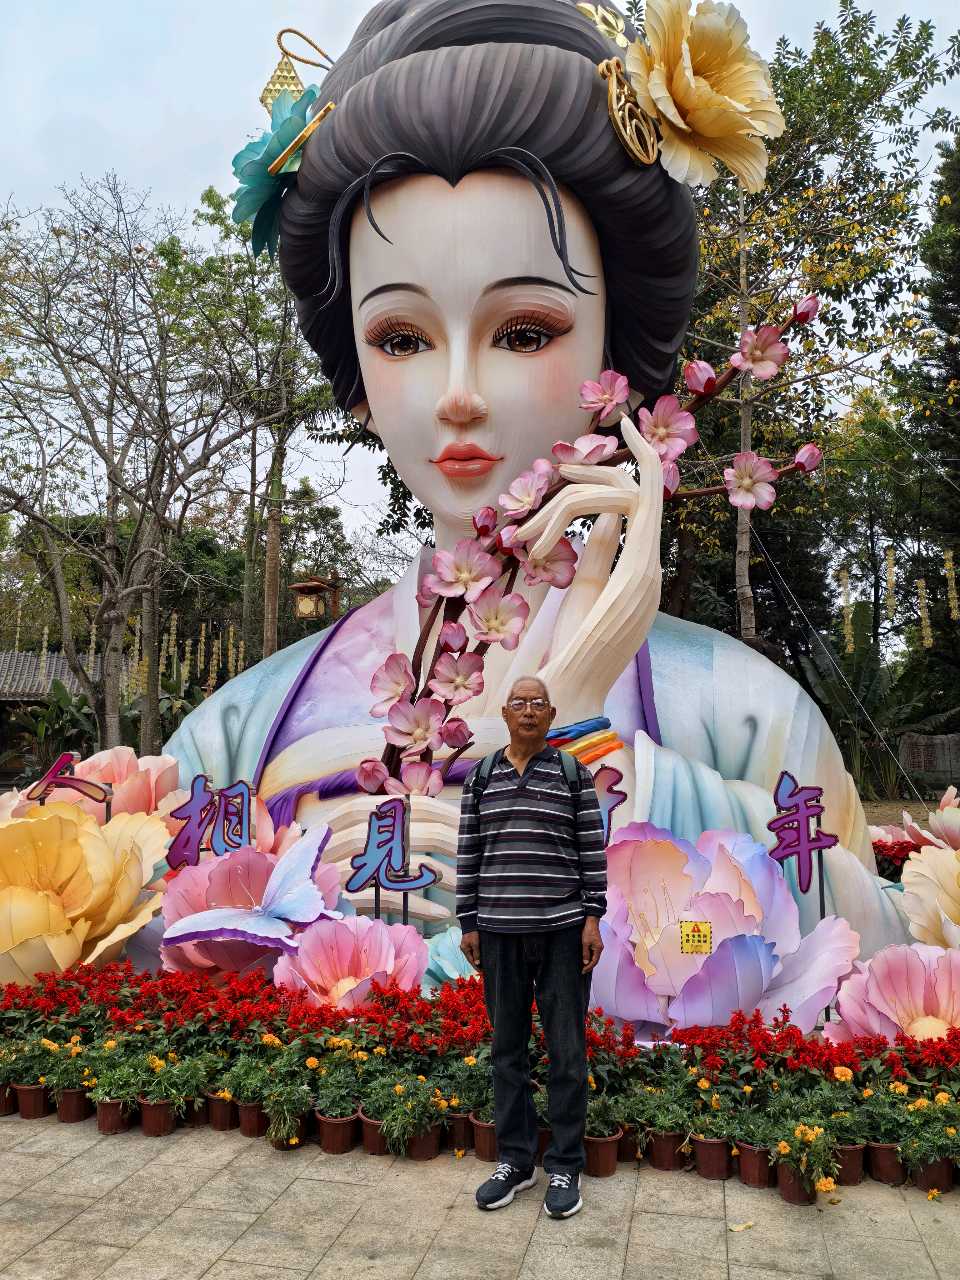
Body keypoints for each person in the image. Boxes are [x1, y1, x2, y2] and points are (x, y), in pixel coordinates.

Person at [164, 0, 910, 961]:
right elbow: (131, 968)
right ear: (358, 383)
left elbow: (870, 955)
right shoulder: (240, 728)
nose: (459, 394)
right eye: (402, 339)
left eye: (523, 332)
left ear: (616, 356)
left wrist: (601, 756)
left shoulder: (744, 713)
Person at [457, 676, 606, 1219]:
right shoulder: (481, 777)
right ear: (504, 713)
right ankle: (516, 1162)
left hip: (563, 932)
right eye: (518, 702)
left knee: (567, 1051)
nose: (527, 711)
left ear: (550, 714)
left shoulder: (571, 774)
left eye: (537, 703)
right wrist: (468, 921)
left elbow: (592, 849)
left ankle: (565, 1164)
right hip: (498, 933)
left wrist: (593, 919)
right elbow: (469, 850)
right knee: (507, 1051)